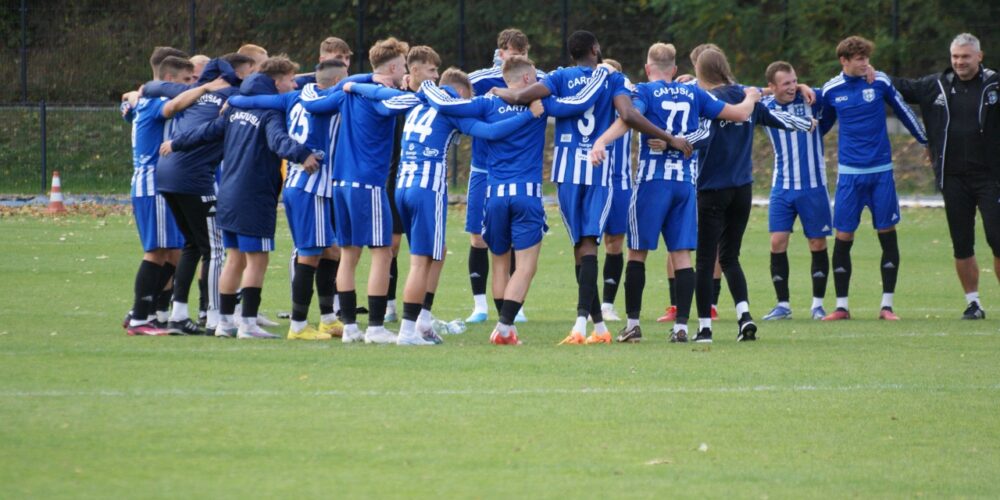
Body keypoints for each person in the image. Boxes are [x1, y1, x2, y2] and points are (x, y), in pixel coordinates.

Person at [492, 30, 691, 345]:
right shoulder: (613, 79)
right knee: (590, 247)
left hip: (567, 173)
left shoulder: (558, 77)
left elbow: (520, 95)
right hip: (600, 172)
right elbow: (628, 114)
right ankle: (590, 325)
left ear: (572, 54)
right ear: (596, 49)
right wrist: (670, 138)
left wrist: (496, 91)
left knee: (580, 249)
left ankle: (589, 326)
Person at [424, 56, 614, 344]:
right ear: (527, 79)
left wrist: (424, 87)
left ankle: (507, 329)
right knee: (525, 266)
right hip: (526, 195)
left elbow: (450, 107)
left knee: (500, 263)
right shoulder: (536, 106)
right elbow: (574, 105)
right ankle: (503, 327)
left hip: (494, 196)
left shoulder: (487, 104)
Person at [589, 42, 760, 343]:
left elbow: (628, 118)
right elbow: (740, 114)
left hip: (652, 183)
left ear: (647, 67)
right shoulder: (694, 93)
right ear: (675, 69)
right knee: (681, 255)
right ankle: (681, 327)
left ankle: (632, 324)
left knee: (637, 253)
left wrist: (602, 140)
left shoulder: (645, 91)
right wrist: (751, 96)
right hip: (685, 184)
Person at [375, 68, 541, 344]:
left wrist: (354, 85)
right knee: (421, 261)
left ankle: (424, 324)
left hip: (401, 186)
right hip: (426, 188)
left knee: (434, 253)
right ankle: (408, 331)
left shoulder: (416, 103)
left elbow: (379, 100)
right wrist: (528, 115)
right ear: (461, 94)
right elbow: (489, 131)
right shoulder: (451, 109)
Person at [162, 56, 321, 339]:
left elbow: (205, 132)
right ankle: (247, 323)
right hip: (254, 195)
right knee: (256, 260)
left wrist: (176, 143)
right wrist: (303, 154)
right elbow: (278, 141)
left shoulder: (234, 110)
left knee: (234, 258)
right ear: (275, 83)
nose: (294, 84)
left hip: (229, 193)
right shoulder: (269, 113)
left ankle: (224, 322)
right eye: (289, 80)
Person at [301, 37, 421, 344]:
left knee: (349, 255)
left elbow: (312, 103)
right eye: (404, 65)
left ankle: (351, 327)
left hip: (340, 183)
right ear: (394, 67)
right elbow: (407, 102)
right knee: (382, 254)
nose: (406, 70)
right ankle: (377, 327)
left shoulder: (348, 92)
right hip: (368, 185)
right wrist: (364, 85)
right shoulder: (383, 96)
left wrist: (355, 83)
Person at [691, 49, 814, 343]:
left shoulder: (707, 100)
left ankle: (705, 328)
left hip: (711, 189)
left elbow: (700, 136)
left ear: (701, 72)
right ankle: (744, 316)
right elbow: (778, 118)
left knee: (706, 260)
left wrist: (672, 142)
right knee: (730, 256)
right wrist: (807, 123)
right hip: (742, 189)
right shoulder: (748, 96)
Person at [227, 59, 353, 340]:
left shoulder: (293, 97)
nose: (349, 82)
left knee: (331, 252)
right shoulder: (332, 99)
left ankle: (328, 319)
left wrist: (233, 100)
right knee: (310, 255)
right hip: (311, 185)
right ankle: (298, 326)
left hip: (301, 184)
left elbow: (254, 100)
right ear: (336, 82)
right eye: (346, 78)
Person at [890, 33, 999, 320]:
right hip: (953, 177)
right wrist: (868, 73)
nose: (960, 62)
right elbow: (898, 87)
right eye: (955, 57)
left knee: (997, 238)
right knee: (962, 242)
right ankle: (973, 303)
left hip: (991, 177)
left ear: (979, 56)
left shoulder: (995, 85)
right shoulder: (935, 85)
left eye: (965, 56)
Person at [820, 35, 928, 321]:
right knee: (843, 236)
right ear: (844, 61)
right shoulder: (831, 90)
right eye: (859, 59)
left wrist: (925, 141)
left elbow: (904, 111)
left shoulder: (879, 82)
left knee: (887, 234)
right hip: (849, 177)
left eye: (866, 58)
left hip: (881, 173)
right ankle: (841, 306)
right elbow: (822, 124)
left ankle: (887, 306)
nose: (865, 63)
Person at [146, 54, 250, 334]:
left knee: (192, 245)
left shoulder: (189, 91)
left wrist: (134, 94)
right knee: (215, 249)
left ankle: (178, 315)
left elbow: (152, 87)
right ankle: (216, 316)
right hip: (193, 178)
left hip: (166, 176)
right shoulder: (236, 95)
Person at [463, 28, 545, 324]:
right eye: (512, 52)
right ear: (500, 53)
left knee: (508, 245)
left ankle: (512, 308)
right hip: (485, 170)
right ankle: (481, 306)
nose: (517, 57)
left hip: (504, 178)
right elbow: (455, 92)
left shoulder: (536, 78)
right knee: (479, 238)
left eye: (522, 53)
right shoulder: (480, 80)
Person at [123, 52, 203, 336]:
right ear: (169, 80)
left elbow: (128, 99)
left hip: (163, 183)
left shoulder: (145, 99)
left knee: (173, 252)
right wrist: (205, 88)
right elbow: (171, 107)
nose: (190, 84)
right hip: (152, 183)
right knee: (156, 251)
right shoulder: (157, 102)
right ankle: (138, 318)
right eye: (185, 79)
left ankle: (149, 312)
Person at [760, 61, 837, 321]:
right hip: (782, 186)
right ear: (772, 87)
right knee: (777, 241)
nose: (792, 87)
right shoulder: (765, 108)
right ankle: (783, 305)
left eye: (795, 81)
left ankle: (817, 305)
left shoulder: (810, 99)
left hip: (813, 186)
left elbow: (833, 93)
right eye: (786, 83)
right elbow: (742, 94)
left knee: (817, 242)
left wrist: (805, 86)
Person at [384, 45, 444, 324]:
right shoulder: (398, 99)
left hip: (415, 183)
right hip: (398, 178)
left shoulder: (434, 100)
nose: (436, 75)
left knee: (435, 250)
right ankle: (390, 305)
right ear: (415, 70)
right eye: (432, 70)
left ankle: (424, 313)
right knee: (394, 247)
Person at [596, 58, 631, 322]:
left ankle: (607, 304)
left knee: (615, 242)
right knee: (586, 242)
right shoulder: (590, 99)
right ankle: (587, 304)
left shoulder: (628, 97)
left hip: (620, 181)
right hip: (593, 179)